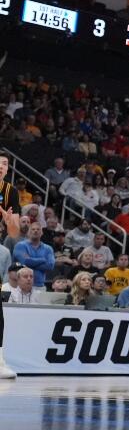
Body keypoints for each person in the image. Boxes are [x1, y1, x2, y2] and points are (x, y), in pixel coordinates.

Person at [0, 155, 18, 377]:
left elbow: (14, 234)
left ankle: (0, 362)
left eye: (4, 163)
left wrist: (8, 220)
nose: (1, 167)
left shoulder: (10, 192)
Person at [13, 223, 53, 290]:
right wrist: (42, 260)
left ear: (42, 232)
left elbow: (50, 265)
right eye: (33, 229)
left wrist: (31, 262)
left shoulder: (48, 248)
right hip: (20, 286)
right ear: (28, 232)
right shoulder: (20, 246)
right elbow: (25, 261)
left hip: (40, 286)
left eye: (38, 229)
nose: (35, 231)